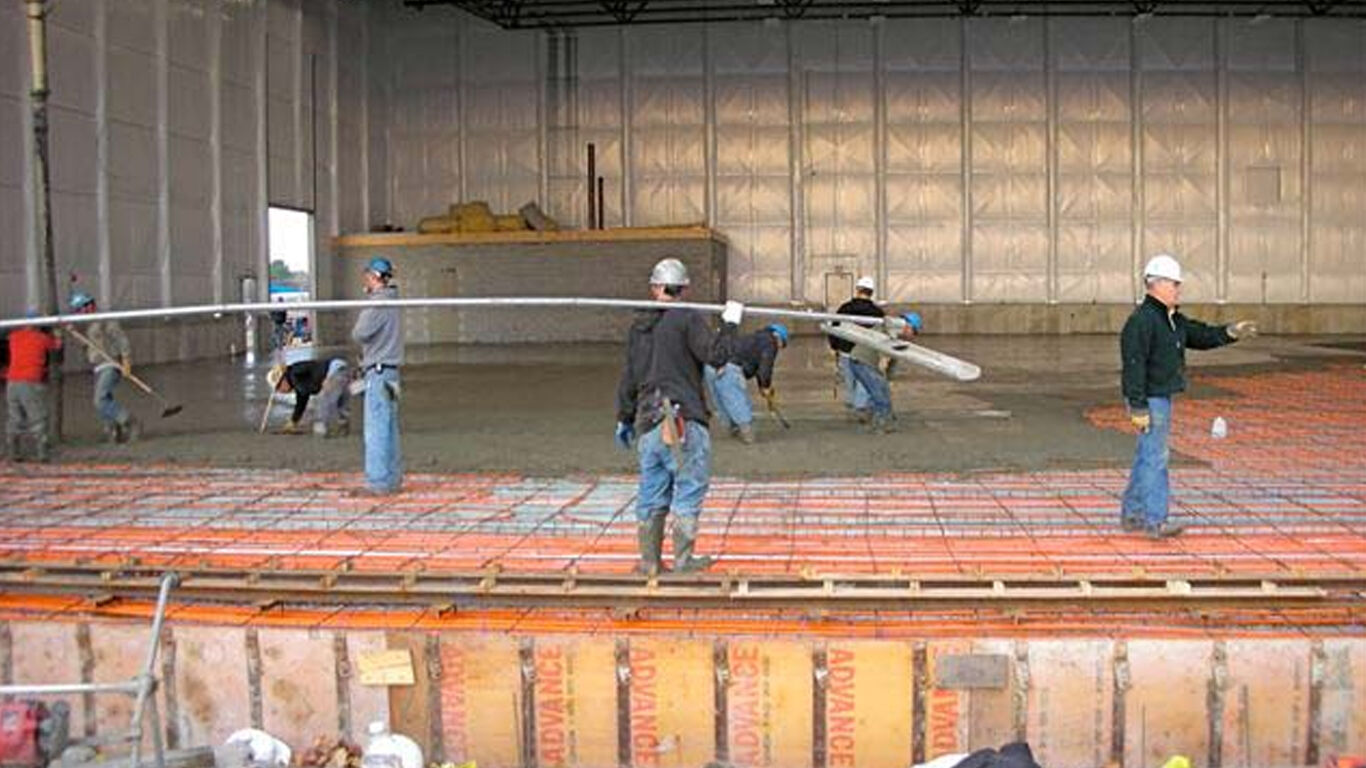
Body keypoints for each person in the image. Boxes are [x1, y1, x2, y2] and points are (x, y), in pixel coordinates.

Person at [615, 257, 741, 574]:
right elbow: (716, 356)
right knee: (688, 487)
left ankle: (650, 562)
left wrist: (624, 416)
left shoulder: (639, 327)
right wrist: (730, 323)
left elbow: (629, 376)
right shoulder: (686, 318)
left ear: (655, 288)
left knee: (652, 491)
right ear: (685, 288)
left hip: (648, 423)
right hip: (681, 420)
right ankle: (683, 561)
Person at [1120, 253, 1257, 539]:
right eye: (1174, 284)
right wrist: (1137, 404)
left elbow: (1199, 335)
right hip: (1151, 398)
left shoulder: (1171, 319)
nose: (1178, 289)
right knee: (1156, 457)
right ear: (1155, 284)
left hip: (1160, 396)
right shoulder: (1142, 321)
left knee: (1147, 455)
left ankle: (1132, 514)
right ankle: (1155, 520)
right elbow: (1133, 365)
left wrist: (1229, 333)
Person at [351, 257, 403, 495]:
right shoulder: (393, 300)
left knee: (376, 429)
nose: (366, 282)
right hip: (391, 372)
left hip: (379, 371)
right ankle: (391, 479)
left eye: (367, 277)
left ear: (374, 277)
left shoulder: (378, 303)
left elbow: (360, 333)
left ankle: (378, 483)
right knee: (389, 428)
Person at [69, 292, 140, 443]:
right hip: (98, 366)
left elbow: (121, 339)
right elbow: (87, 345)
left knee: (100, 400)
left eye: (80, 309)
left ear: (89, 305)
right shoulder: (89, 326)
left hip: (110, 363)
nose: (79, 313)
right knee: (105, 399)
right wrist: (74, 333)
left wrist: (126, 359)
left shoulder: (105, 320)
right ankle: (114, 430)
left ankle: (129, 421)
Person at [704, 323, 788, 444]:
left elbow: (760, 369)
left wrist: (762, 386)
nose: (779, 348)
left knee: (721, 401)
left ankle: (733, 428)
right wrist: (765, 386)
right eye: (782, 345)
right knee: (737, 399)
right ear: (779, 337)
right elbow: (765, 367)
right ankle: (747, 432)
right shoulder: (770, 342)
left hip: (712, 365)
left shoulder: (753, 338)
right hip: (731, 368)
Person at [5, 311, 62, 462]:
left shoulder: (14, 337)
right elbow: (57, 346)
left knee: (15, 417)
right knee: (38, 416)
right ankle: (42, 452)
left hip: (12, 382)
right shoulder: (41, 338)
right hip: (30, 381)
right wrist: (57, 332)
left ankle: (13, 451)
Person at [828, 276, 883, 421]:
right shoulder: (877, 312)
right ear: (871, 292)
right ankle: (861, 407)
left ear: (858, 290)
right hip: (866, 353)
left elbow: (834, 328)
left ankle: (853, 406)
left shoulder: (845, 308)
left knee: (849, 380)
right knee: (864, 381)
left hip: (846, 351)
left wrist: (834, 346)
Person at [267, 357, 352, 437]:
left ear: (283, 380)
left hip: (333, 371)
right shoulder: (298, 381)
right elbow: (301, 401)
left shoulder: (294, 373)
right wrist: (293, 421)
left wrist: (324, 378)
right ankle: (343, 426)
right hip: (341, 367)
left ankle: (320, 428)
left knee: (324, 399)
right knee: (341, 400)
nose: (281, 391)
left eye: (279, 388)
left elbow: (314, 368)